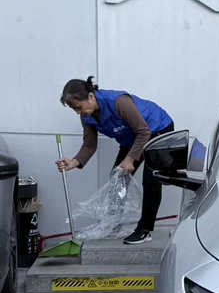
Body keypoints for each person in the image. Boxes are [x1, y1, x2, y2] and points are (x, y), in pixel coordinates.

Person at [56, 77, 174, 244]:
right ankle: (113, 225)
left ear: (91, 96)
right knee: (117, 178)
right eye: (74, 110)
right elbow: (89, 144)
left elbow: (143, 131)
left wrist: (130, 159)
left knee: (151, 180)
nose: (78, 113)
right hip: (132, 138)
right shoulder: (86, 116)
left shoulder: (119, 102)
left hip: (157, 130)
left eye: (79, 107)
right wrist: (74, 162)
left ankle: (144, 229)